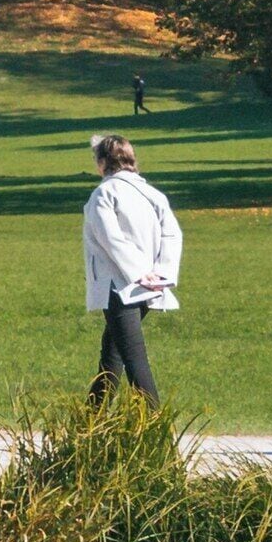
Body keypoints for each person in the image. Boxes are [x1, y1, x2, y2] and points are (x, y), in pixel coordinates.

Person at [82, 133, 180, 403]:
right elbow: (172, 235)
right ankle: (91, 424)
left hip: (119, 287)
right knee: (111, 358)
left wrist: (139, 274)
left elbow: (110, 238)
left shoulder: (104, 193)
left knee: (134, 361)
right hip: (148, 288)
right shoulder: (153, 194)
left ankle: (156, 426)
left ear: (103, 162)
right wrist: (162, 273)